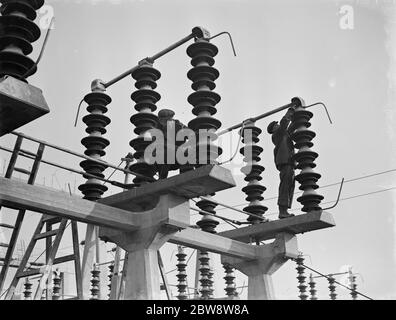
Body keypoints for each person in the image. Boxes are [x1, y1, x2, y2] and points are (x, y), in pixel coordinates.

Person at [267, 106, 297, 219]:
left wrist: (297, 116)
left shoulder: (284, 134)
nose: (278, 125)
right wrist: (291, 111)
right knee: (285, 185)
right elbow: (284, 122)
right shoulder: (278, 135)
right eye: (276, 125)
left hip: (289, 162)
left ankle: (285, 210)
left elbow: (291, 127)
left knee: (289, 185)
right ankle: (282, 211)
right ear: (274, 128)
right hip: (285, 163)